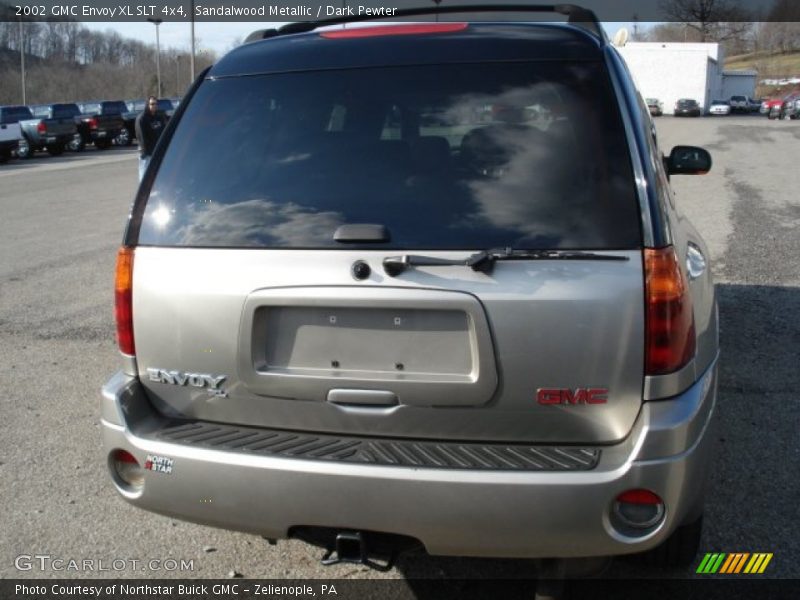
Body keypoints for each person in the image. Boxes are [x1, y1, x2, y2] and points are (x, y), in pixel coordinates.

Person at [135, 96, 168, 181]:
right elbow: (141, 137)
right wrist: (145, 151)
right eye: (152, 104)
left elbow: (163, 133)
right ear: (147, 104)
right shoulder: (142, 118)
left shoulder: (159, 117)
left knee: (157, 174)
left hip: (157, 151)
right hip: (146, 153)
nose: (154, 106)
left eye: (156, 104)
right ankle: (143, 193)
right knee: (144, 175)